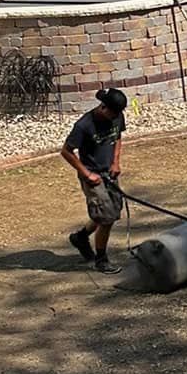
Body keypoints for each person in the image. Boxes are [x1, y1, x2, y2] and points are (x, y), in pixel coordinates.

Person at [61, 86, 128, 270]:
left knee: (111, 213)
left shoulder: (117, 117)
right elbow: (66, 151)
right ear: (103, 107)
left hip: (110, 173)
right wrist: (86, 173)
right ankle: (101, 260)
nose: (116, 117)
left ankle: (81, 237)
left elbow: (118, 137)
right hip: (92, 176)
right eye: (113, 113)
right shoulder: (84, 125)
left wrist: (115, 162)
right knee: (106, 218)